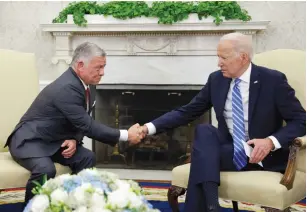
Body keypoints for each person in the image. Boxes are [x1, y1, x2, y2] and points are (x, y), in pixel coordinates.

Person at [140, 33, 306, 212]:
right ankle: (213, 205)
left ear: (243, 58)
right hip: (229, 151)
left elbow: (300, 120)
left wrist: (270, 142)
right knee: (205, 131)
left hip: (261, 155)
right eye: (218, 57)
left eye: (223, 57)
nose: (219, 63)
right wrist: (147, 128)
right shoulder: (216, 80)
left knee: (201, 158)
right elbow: (187, 111)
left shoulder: (272, 80)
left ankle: (210, 207)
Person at [4, 42, 144, 206]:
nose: (102, 73)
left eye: (103, 67)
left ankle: (76, 204)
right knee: (46, 169)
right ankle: (33, 209)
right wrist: (127, 135)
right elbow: (88, 125)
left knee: (87, 158)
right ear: (80, 65)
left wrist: (74, 138)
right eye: (98, 68)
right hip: (30, 141)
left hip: (55, 140)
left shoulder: (88, 84)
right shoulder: (66, 88)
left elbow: (80, 118)